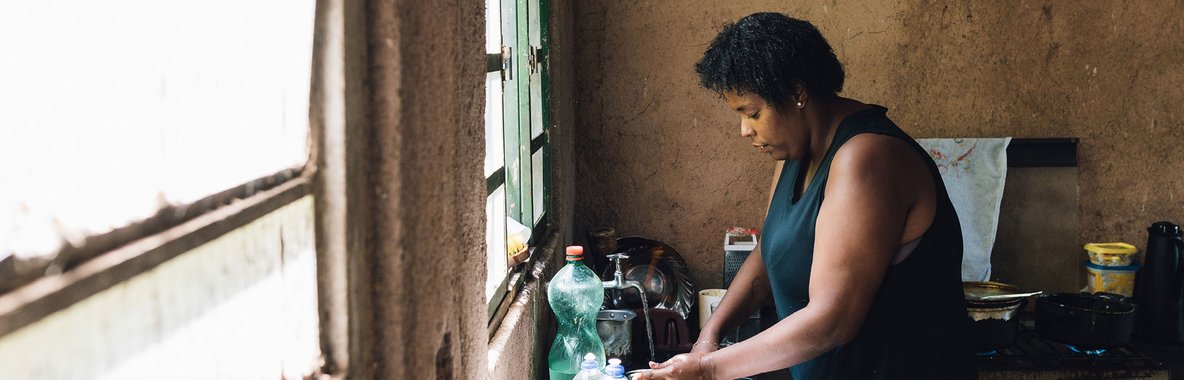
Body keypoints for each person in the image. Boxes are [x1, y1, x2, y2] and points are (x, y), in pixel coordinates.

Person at [635, 12, 975, 380]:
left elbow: (834, 319)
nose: (744, 131)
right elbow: (768, 255)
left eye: (752, 113)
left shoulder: (867, 161)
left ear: (797, 92)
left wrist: (708, 369)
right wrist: (708, 338)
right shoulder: (794, 152)